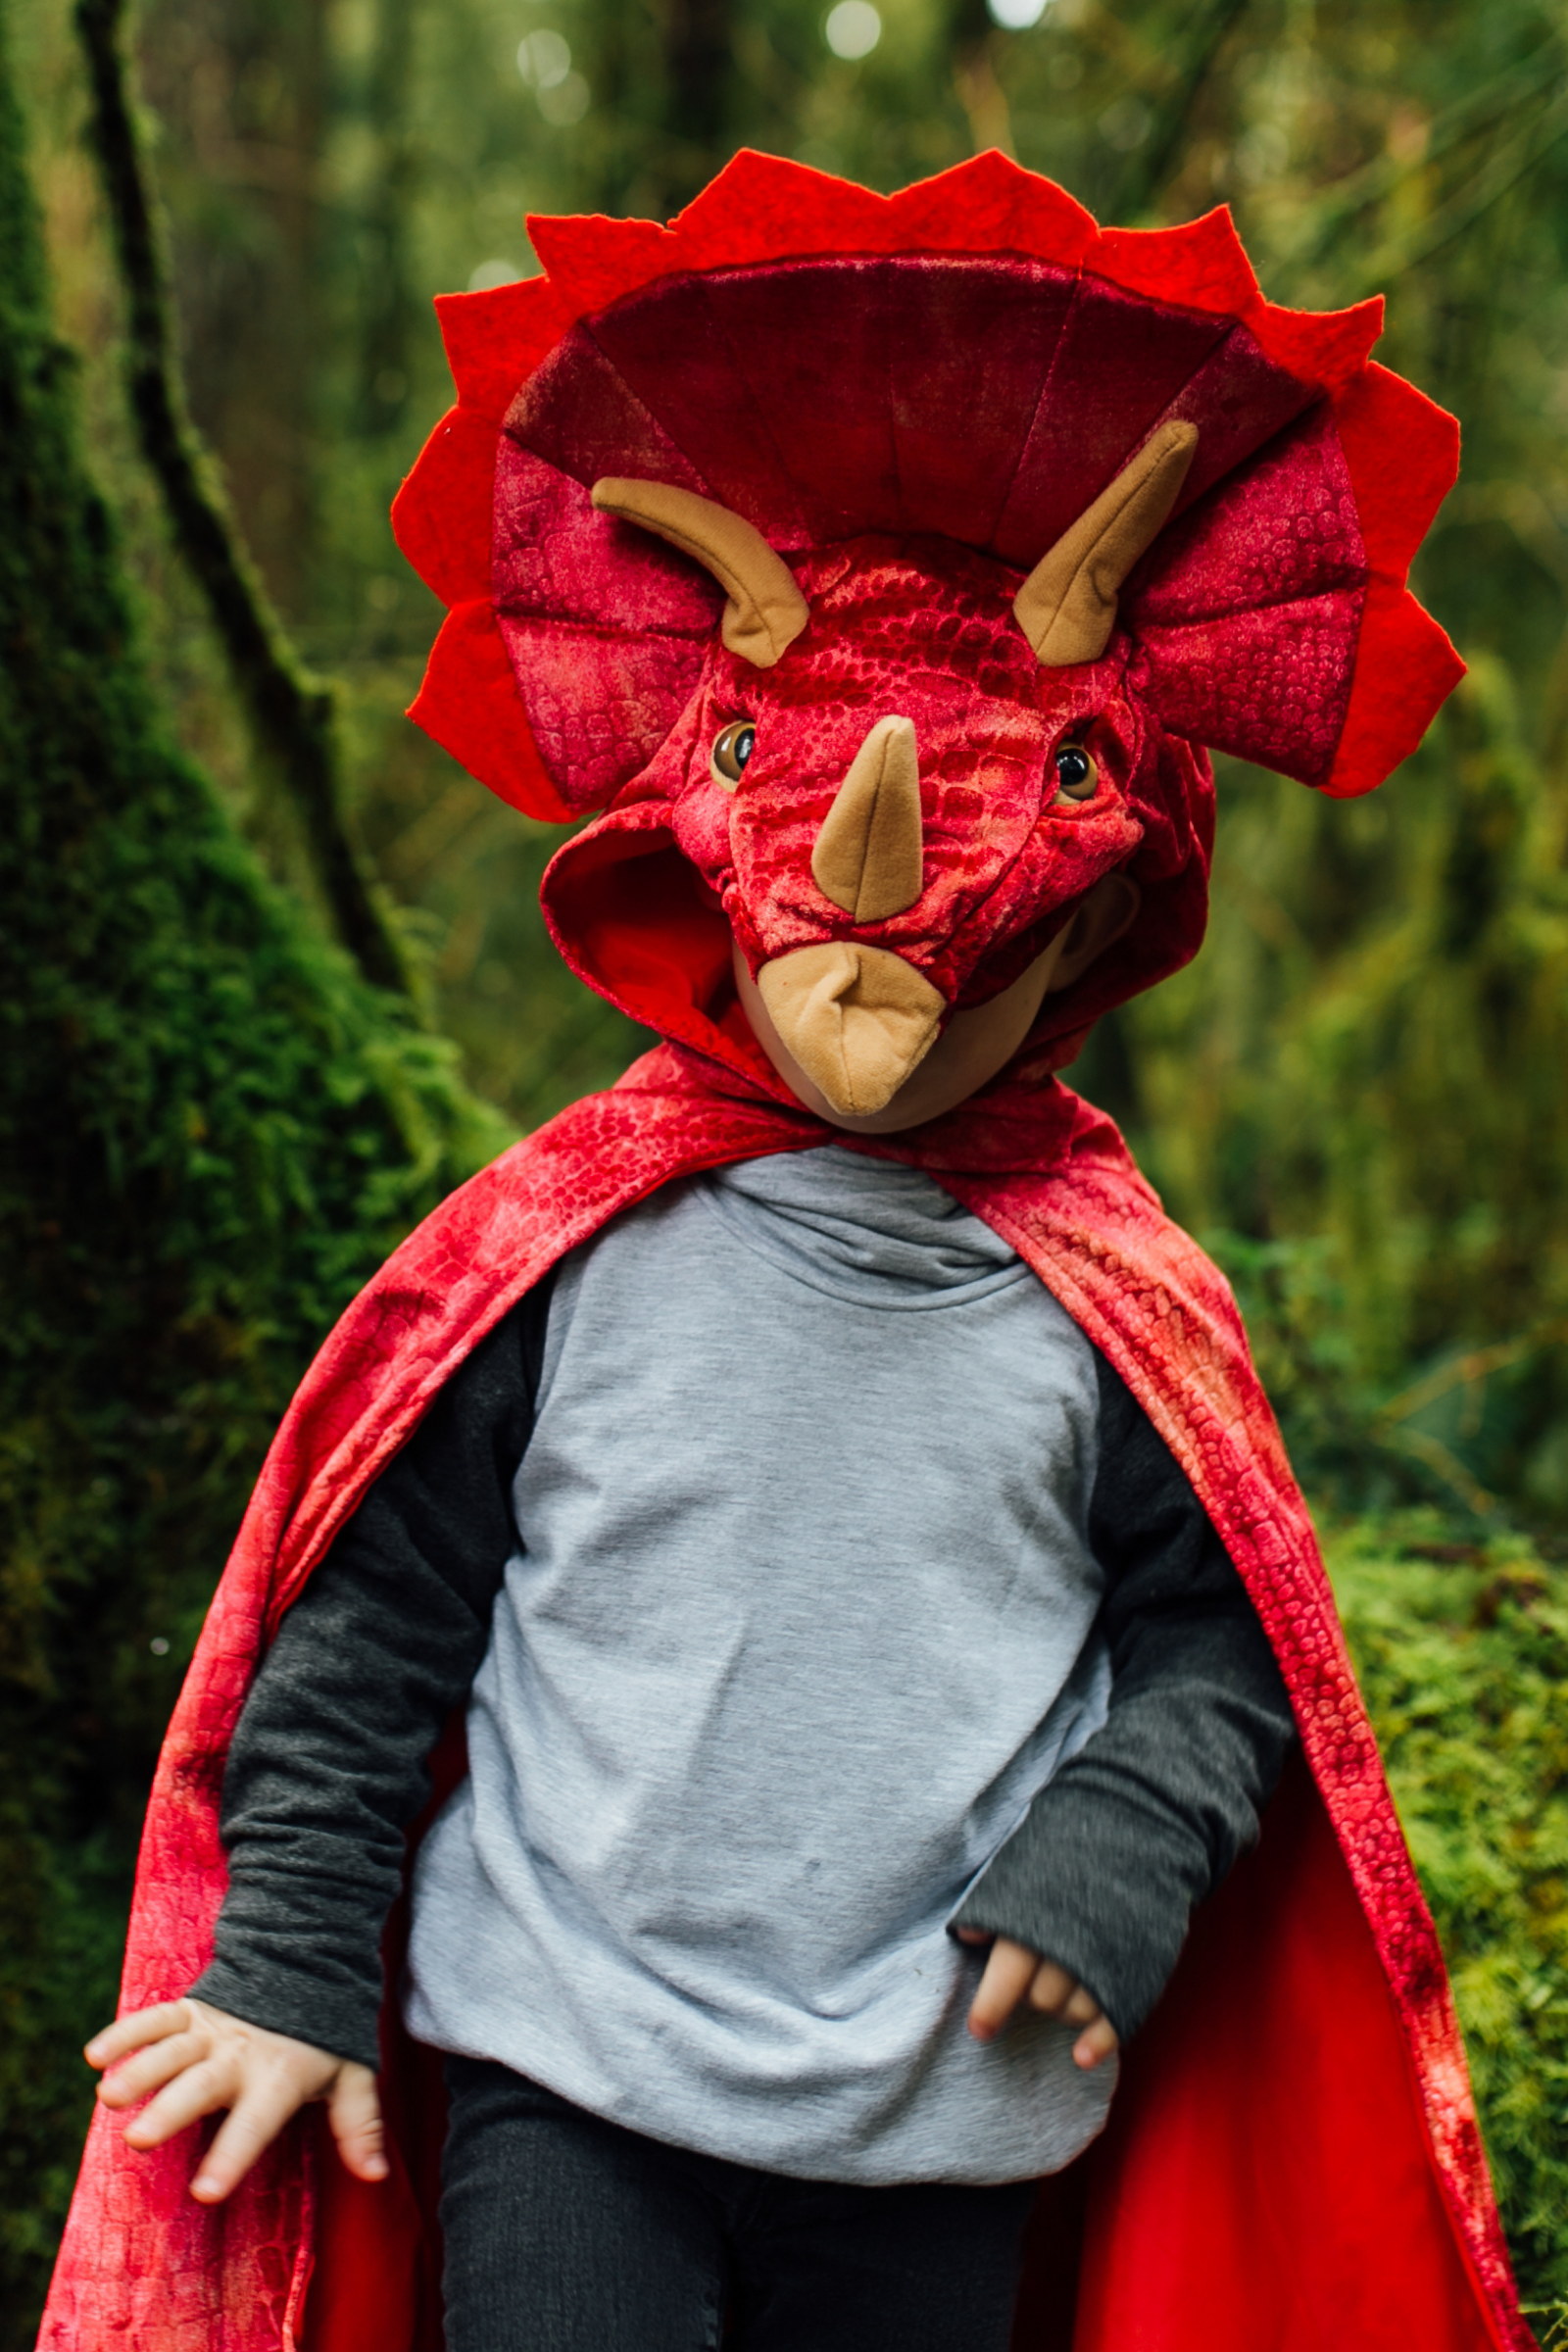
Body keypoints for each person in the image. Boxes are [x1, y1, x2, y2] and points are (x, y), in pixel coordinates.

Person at [46, 150, 1527, 2352]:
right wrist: (282, 1960)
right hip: (562, 2072)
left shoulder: (1097, 1298)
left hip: (940, 2113)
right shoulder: (568, 1247)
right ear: (699, 860)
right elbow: (371, 1621)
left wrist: (1119, 1844)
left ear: (1103, 922)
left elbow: (1223, 1655)